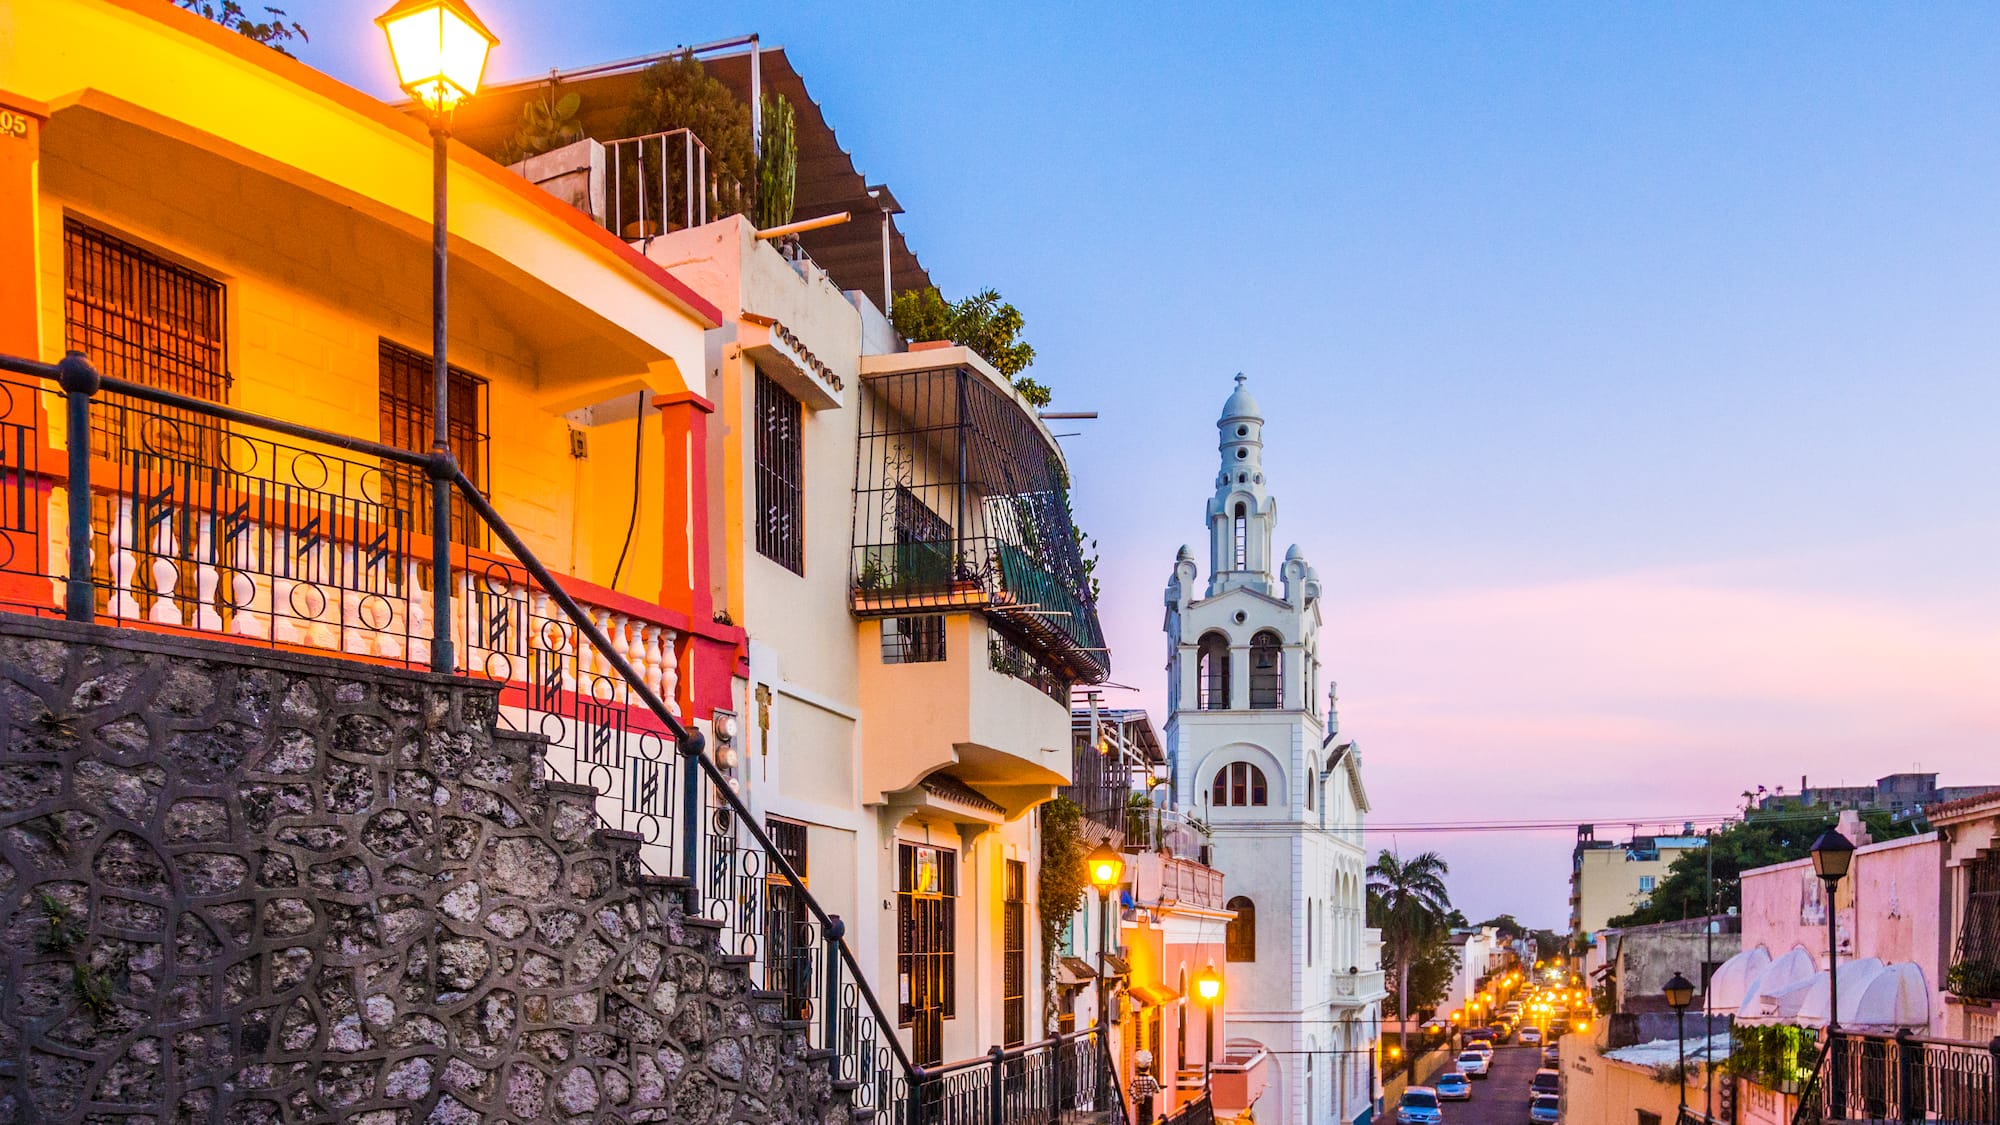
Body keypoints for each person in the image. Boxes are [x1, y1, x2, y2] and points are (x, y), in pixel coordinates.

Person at [1131, 1049, 1161, 1125]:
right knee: (1148, 1115)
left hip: (1140, 1098)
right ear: (1148, 1066)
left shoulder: (1135, 1079)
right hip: (1149, 1098)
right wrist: (1152, 1090)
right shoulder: (1151, 1079)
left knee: (1141, 1114)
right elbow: (1157, 1090)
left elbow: (1131, 1090)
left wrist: (1136, 1097)